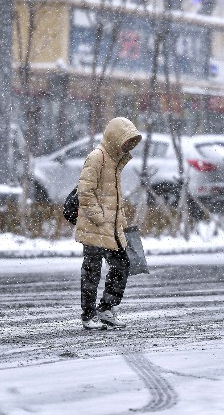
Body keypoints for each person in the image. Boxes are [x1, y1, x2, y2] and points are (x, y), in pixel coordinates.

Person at [76, 117, 142, 330]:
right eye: (125, 140)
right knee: (91, 271)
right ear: (115, 138)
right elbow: (84, 192)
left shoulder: (115, 161)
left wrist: (119, 220)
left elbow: (114, 197)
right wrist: (99, 218)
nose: (127, 146)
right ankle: (88, 315)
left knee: (122, 265)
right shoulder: (98, 157)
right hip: (96, 227)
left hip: (112, 228)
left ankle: (107, 308)